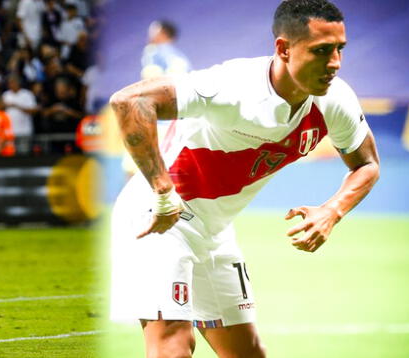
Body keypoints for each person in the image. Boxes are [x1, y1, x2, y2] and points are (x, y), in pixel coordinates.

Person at [109, 1, 380, 357]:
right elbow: (129, 101)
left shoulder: (336, 101)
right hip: (161, 218)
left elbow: (367, 164)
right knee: (173, 344)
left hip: (215, 231)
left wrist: (332, 210)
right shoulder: (233, 86)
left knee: (248, 353)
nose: (334, 63)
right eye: (321, 51)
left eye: (339, 50)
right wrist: (162, 191)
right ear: (283, 49)